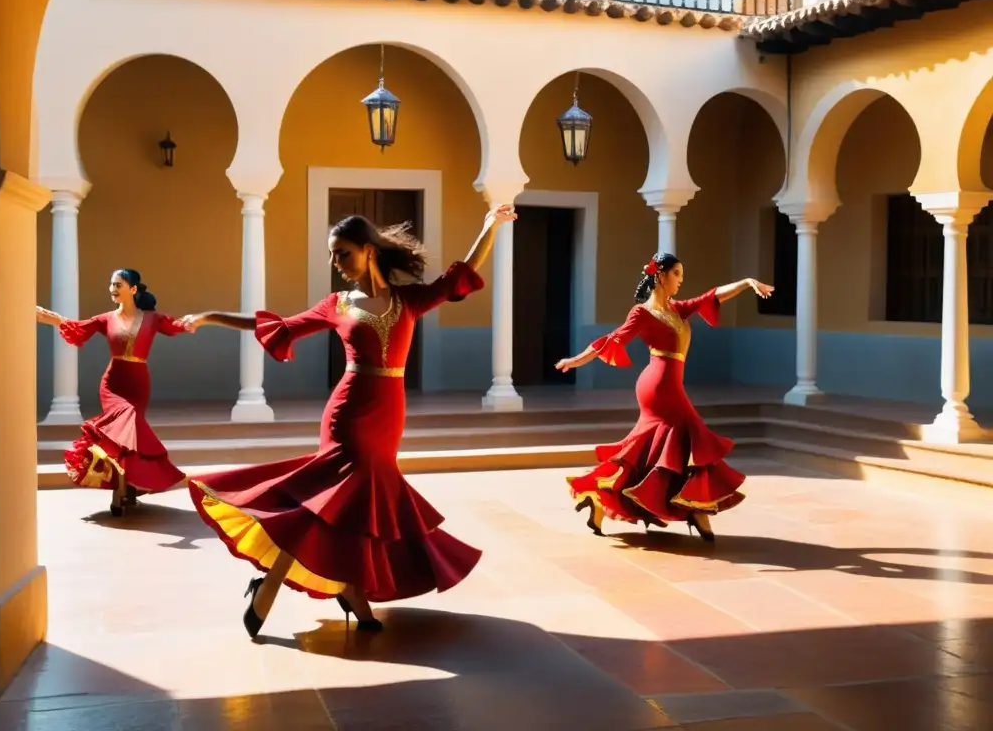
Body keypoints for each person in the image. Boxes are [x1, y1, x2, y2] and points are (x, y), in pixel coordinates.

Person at [180, 205, 516, 636]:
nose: (335, 263)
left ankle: (350, 588)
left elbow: (460, 276)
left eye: (342, 253)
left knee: (360, 505)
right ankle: (272, 588)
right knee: (326, 503)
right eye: (332, 255)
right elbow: (278, 326)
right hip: (348, 414)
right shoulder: (336, 305)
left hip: (388, 415)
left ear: (369, 251)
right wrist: (211, 317)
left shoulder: (408, 300)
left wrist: (488, 226)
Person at [555, 252, 774, 542]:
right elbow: (613, 339)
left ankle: (600, 496)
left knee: (650, 450)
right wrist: (576, 360)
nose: (681, 281)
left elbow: (712, 296)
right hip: (658, 387)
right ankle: (697, 512)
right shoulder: (641, 313)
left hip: (671, 384)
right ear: (660, 275)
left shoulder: (677, 310)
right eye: (677, 274)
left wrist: (746, 283)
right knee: (693, 437)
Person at [35, 269, 193, 516]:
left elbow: (178, 326)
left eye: (118, 284)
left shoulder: (153, 319)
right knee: (122, 429)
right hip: (113, 383)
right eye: (111, 284)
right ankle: (121, 492)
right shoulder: (105, 318)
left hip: (138, 383)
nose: (113, 289)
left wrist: (200, 320)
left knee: (129, 436)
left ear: (133, 289)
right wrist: (47, 317)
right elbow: (76, 326)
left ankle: (125, 490)